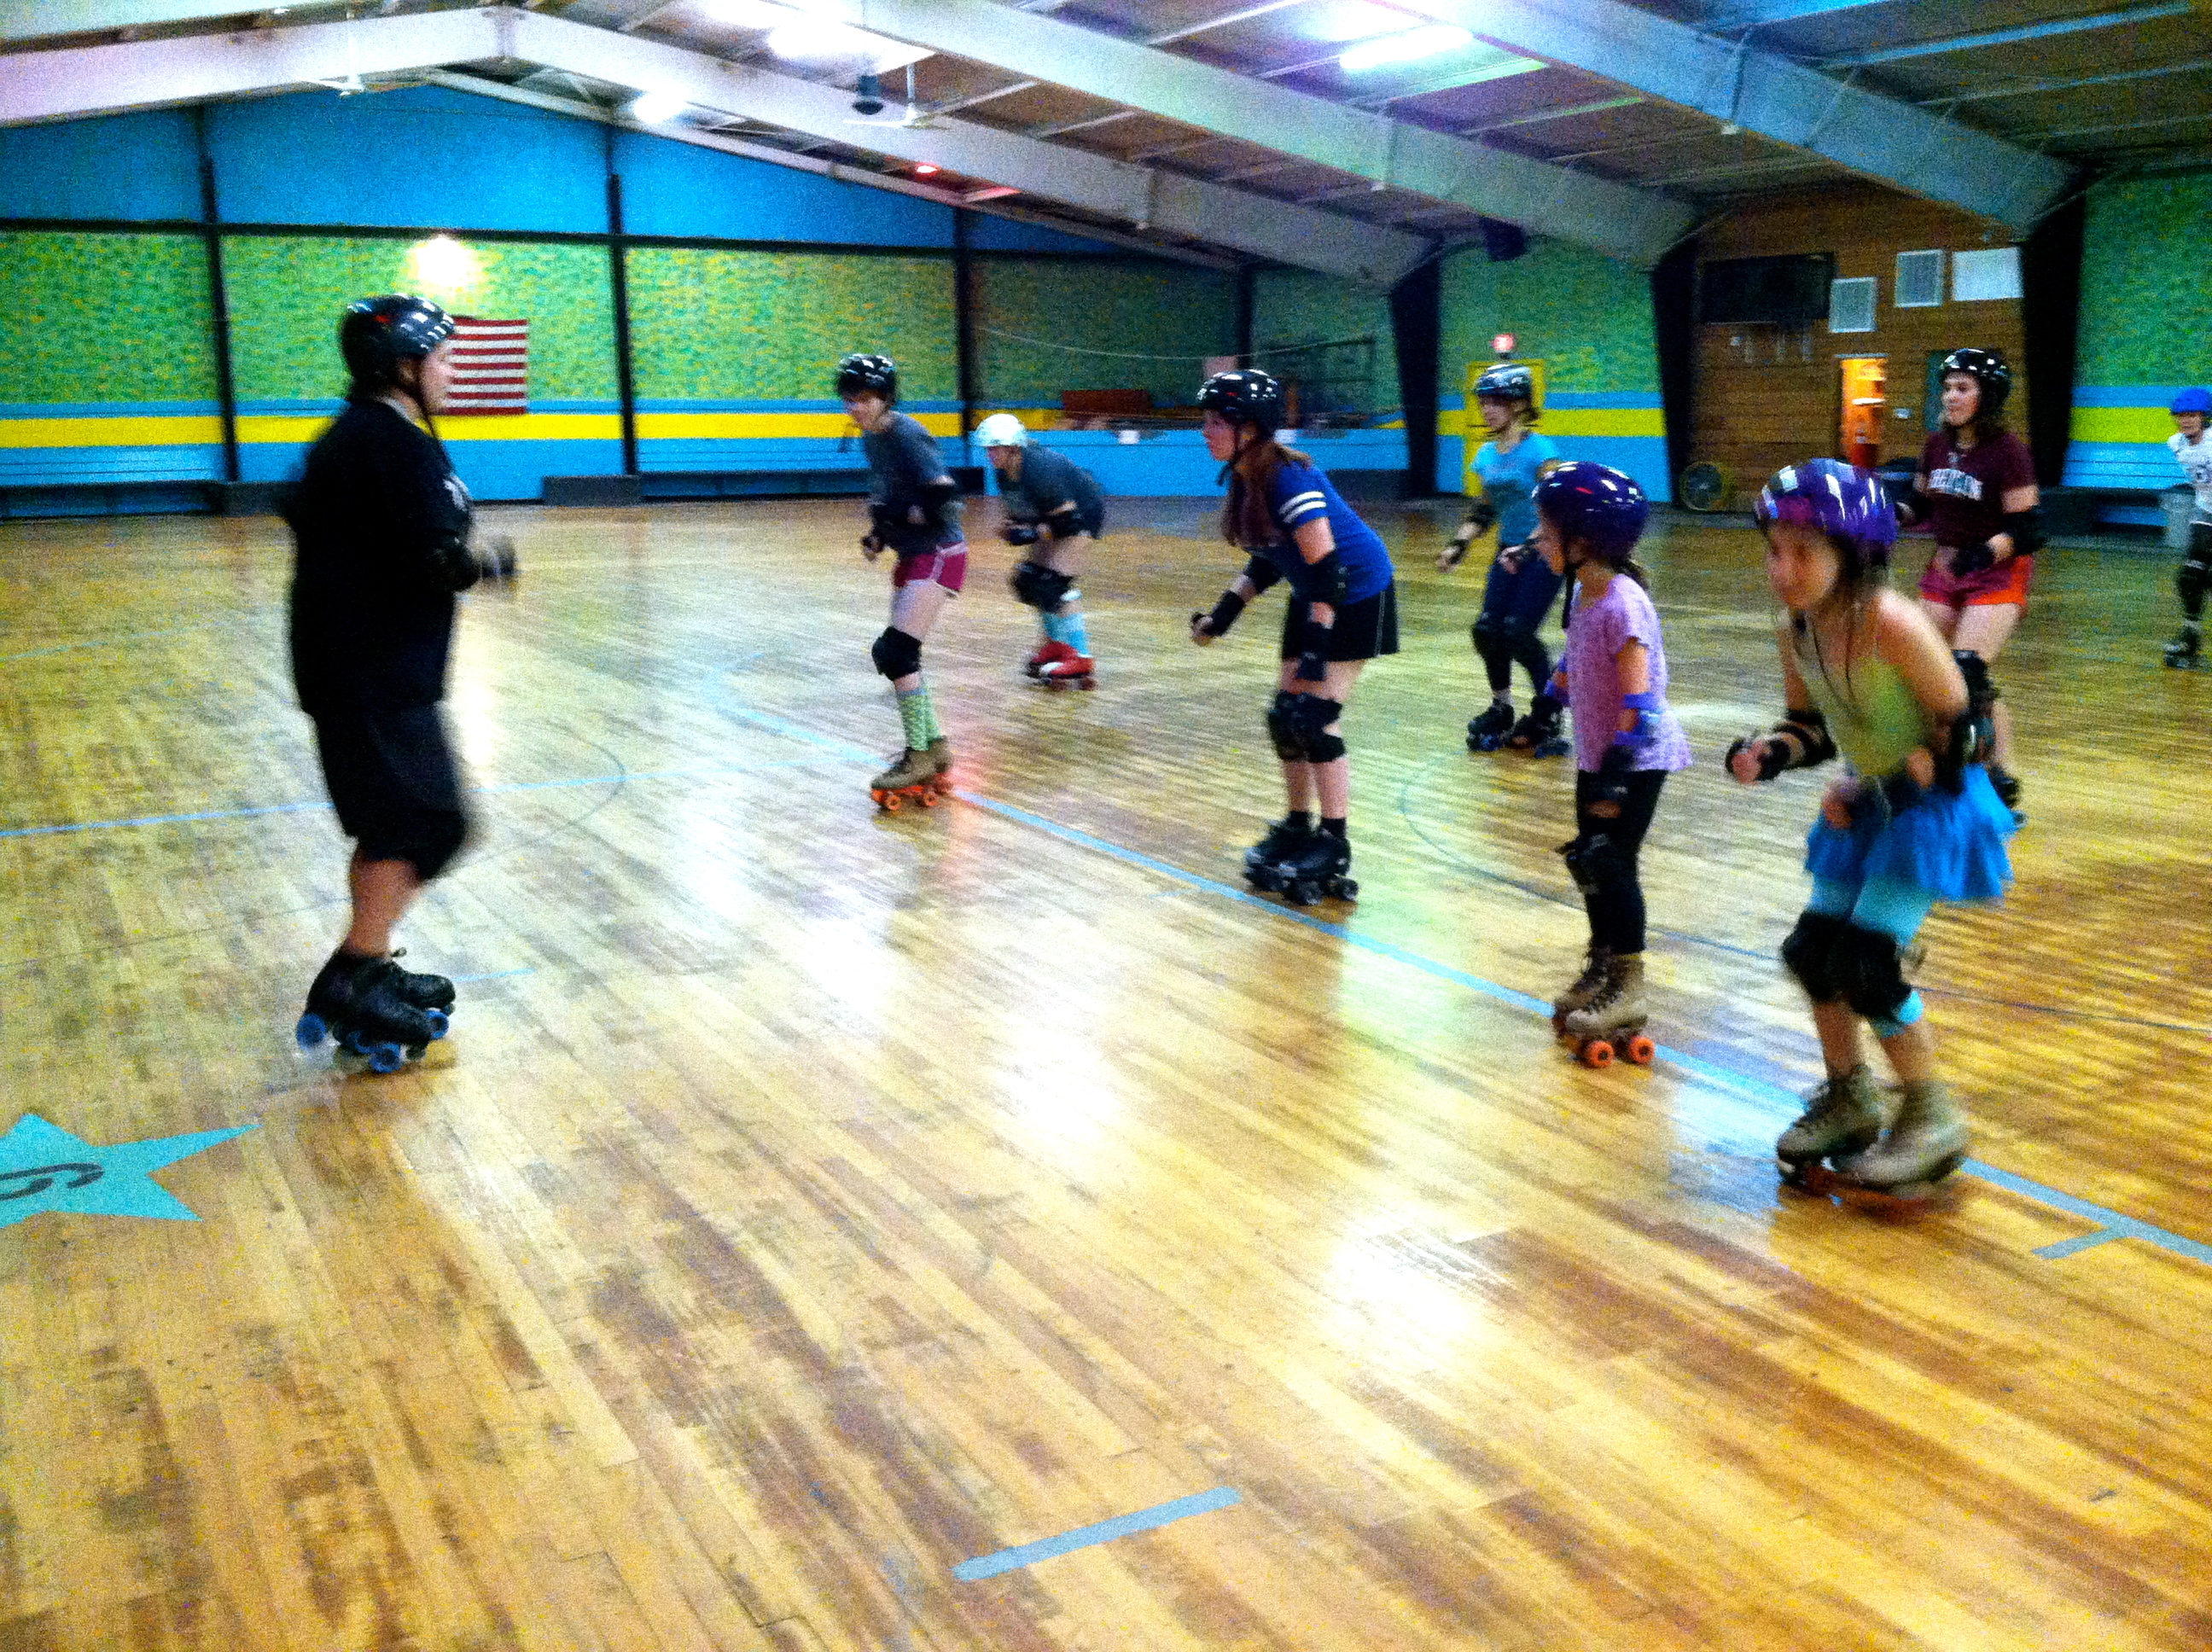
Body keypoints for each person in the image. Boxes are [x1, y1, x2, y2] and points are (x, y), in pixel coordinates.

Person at [1730, 458, 2015, 1194]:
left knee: (1865, 962)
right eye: (1773, 551)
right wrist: (1771, 752)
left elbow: (1969, 727)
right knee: (1814, 951)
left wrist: (1913, 765)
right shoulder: (1797, 627)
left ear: (1851, 553)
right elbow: (1813, 728)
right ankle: (1849, 1095)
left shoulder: (1891, 622)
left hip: (1933, 810)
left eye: (1802, 552)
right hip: (1871, 803)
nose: (1782, 569)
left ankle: (1930, 1115)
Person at [287, 294, 488, 1070]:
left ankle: (364, 968)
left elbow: (300, 509)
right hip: (373, 670)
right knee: (426, 822)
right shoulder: (393, 443)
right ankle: (352, 974)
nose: (452, 368)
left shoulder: (354, 437)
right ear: (401, 367)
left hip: (357, 665)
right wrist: (486, 564)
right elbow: (437, 556)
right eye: (441, 357)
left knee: (396, 819)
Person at [1188, 368, 1397, 905]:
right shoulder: (1249, 477)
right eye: (1206, 420)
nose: (1205, 430)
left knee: (1313, 717)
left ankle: (1335, 841)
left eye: (1216, 421)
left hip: (1356, 592)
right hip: (1317, 590)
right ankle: (1299, 823)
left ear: (1251, 429)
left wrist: (1314, 652)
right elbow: (1269, 559)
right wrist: (1222, 617)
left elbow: (1329, 572)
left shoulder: (1287, 479)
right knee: (1284, 715)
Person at [1533, 462, 1691, 1062]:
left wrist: (1619, 771)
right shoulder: (1583, 592)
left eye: (1546, 531)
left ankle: (1629, 987)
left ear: (1582, 543)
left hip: (1635, 757)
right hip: (1597, 753)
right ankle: (1602, 968)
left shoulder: (1625, 604)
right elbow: (1574, 661)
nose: (1538, 540)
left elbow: (1643, 698)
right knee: (1589, 863)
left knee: (1611, 861)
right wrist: (1545, 706)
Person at [1894, 346, 2038, 812]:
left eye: (1962, 388)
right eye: (1947, 387)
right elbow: (1920, 505)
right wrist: (1885, 514)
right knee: (1924, 665)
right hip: (1946, 570)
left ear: (1987, 396)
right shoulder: (1937, 446)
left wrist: (1982, 553)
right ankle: (1933, 763)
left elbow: (2027, 528)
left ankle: (2000, 772)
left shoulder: (2009, 453)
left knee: (1969, 672)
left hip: (1996, 569)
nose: (1950, 396)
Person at [839, 352, 966, 810]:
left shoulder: (906, 434)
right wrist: (879, 534)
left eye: (866, 398)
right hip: (914, 553)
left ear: (886, 398)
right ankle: (933, 747)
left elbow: (945, 497)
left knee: (895, 651)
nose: (857, 407)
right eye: (851, 398)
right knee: (901, 654)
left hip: (938, 553)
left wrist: (902, 516)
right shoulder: (873, 439)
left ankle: (919, 754)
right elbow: (891, 498)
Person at [1440, 363, 1566, 753]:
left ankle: (1549, 711)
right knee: (1487, 629)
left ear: (1518, 406)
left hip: (1544, 552)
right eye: (1484, 403)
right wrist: (1458, 545)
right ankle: (1502, 706)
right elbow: (1486, 509)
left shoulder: (1541, 451)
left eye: (1496, 402)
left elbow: (1556, 509)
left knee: (1517, 632)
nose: (1488, 410)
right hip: (1506, 551)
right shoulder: (1485, 455)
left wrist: (1527, 548)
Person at [975, 412, 1105, 686]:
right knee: (1029, 581)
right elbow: (1024, 514)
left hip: (1083, 515)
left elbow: (1067, 521)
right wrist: (1012, 528)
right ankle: (1056, 645)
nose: (991, 455)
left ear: (1013, 447)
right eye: (988, 448)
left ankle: (1081, 656)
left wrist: (1031, 532)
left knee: (1053, 584)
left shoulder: (1039, 467)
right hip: (1056, 518)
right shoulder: (1005, 474)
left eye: (995, 448)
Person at [2163, 387, 2212, 669]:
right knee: (2190, 576)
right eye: (2180, 416)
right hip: (2206, 511)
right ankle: (2190, 635)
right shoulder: (2176, 443)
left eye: (2192, 415)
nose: (2185, 421)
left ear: (2205, 417)